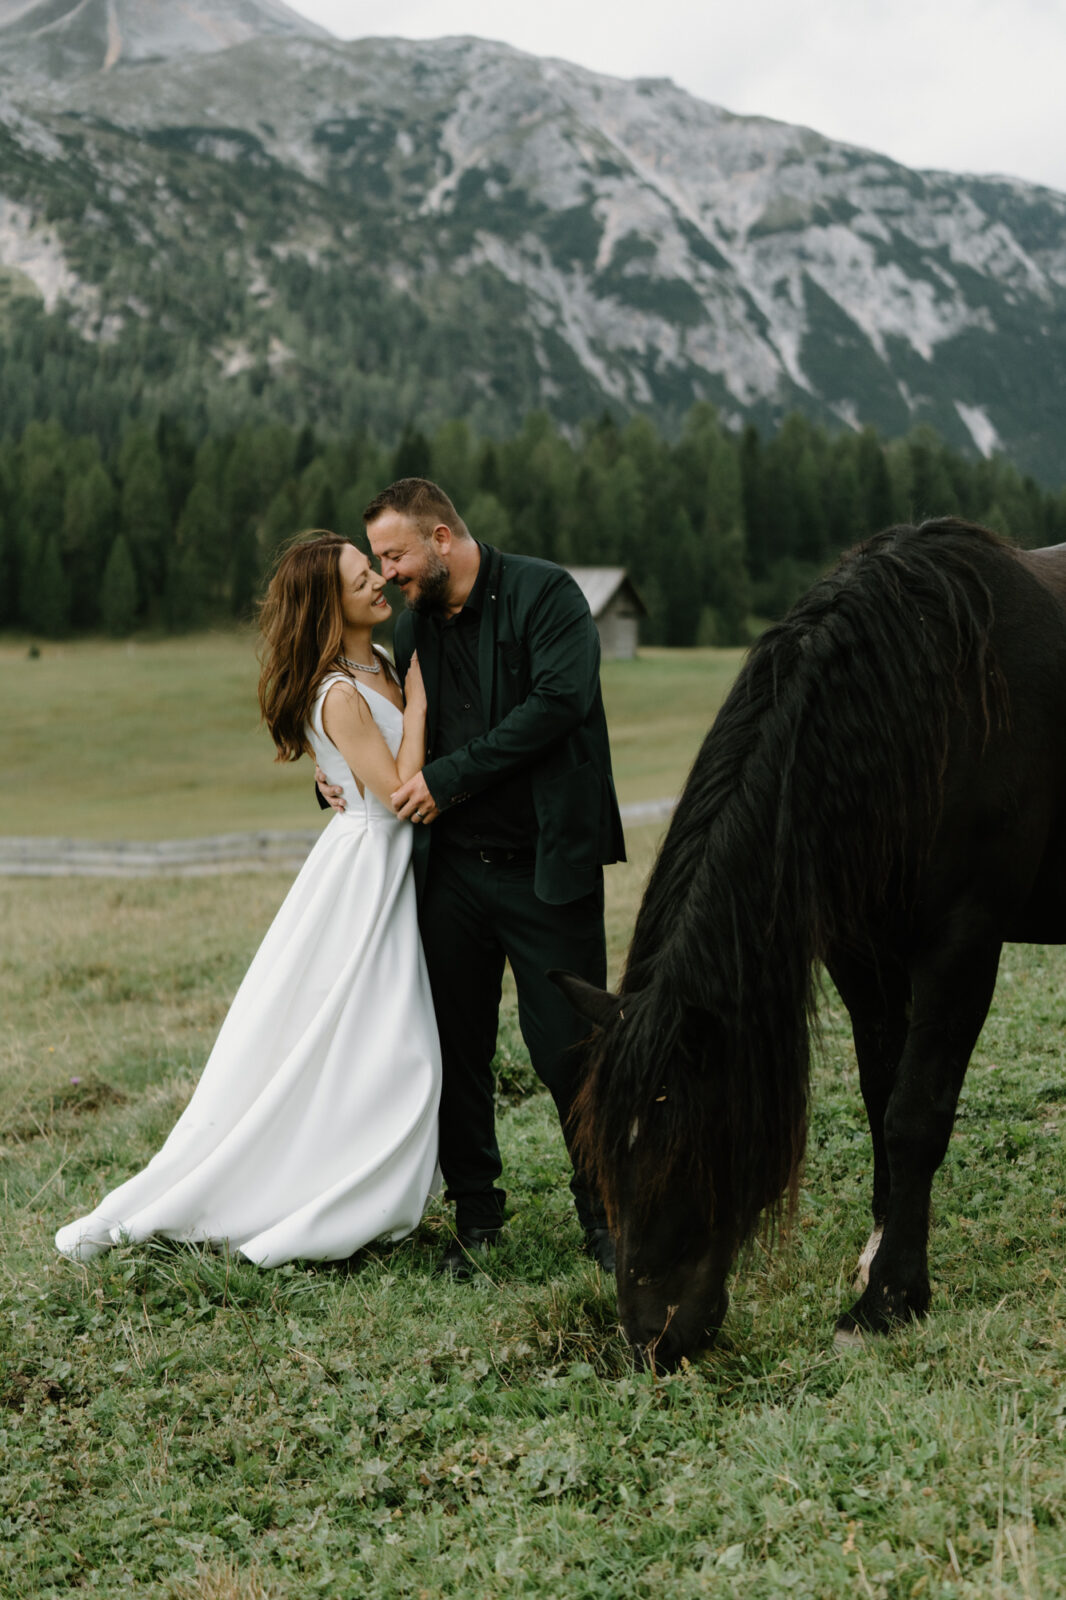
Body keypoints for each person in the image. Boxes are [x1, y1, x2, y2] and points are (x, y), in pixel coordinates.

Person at [56, 532, 441, 1267]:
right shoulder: (338, 690)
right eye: (362, 578)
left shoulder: (380, 662)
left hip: (392, 869)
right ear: (331, 604)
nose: (377, 584)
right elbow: (395, 799)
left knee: (368, 1041)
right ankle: (324, 1197)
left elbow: (359, 774)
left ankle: (362, 1180)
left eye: (373, 572)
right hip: (366, 876)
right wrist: (418, 704)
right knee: (384, 1041)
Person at [319, 478, 625, 1278]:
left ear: (441, 540)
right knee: (455, 1048)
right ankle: (478, 1222)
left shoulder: (545, 593)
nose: (386, 573)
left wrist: (450, 778)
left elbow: (559, 703)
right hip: (449, 873)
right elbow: (379, 730)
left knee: (570, 1046)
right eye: (377, 561)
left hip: (544, 868)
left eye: (395, 555)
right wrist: (334, 783)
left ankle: (606, 1215)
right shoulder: (415, 626)